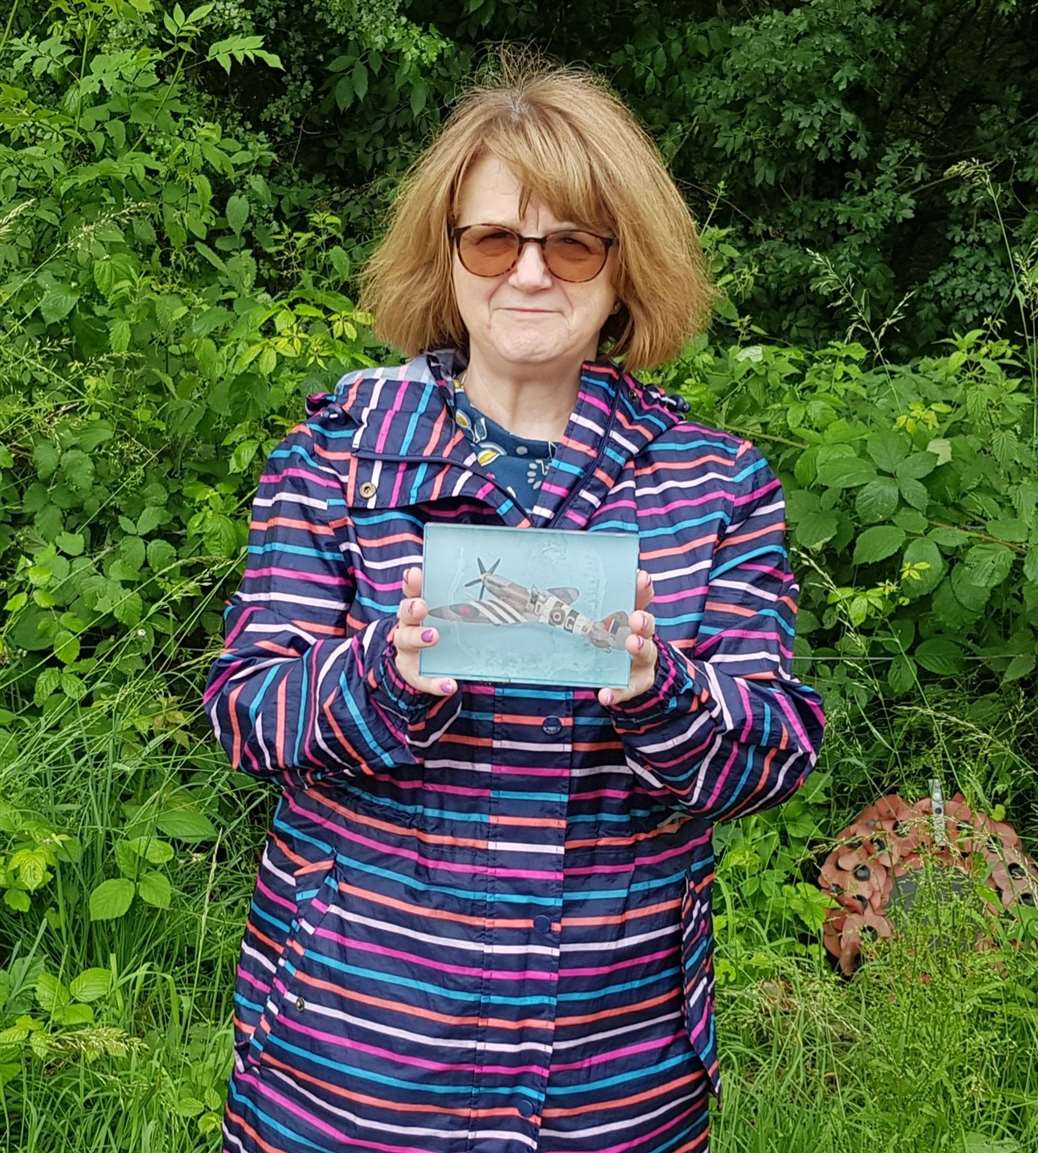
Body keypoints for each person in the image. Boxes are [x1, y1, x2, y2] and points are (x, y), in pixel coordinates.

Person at [204, 57, 826, 1153]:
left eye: (572, 242)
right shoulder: (336, 457)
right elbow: (247, 714)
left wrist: (659, 686)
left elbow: (772, 753)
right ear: (447, 259)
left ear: (623, 264)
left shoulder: (717, 483)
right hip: (355, 1056)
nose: (529, 274)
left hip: (613, 1064)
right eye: (494, 240)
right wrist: (378, 671)